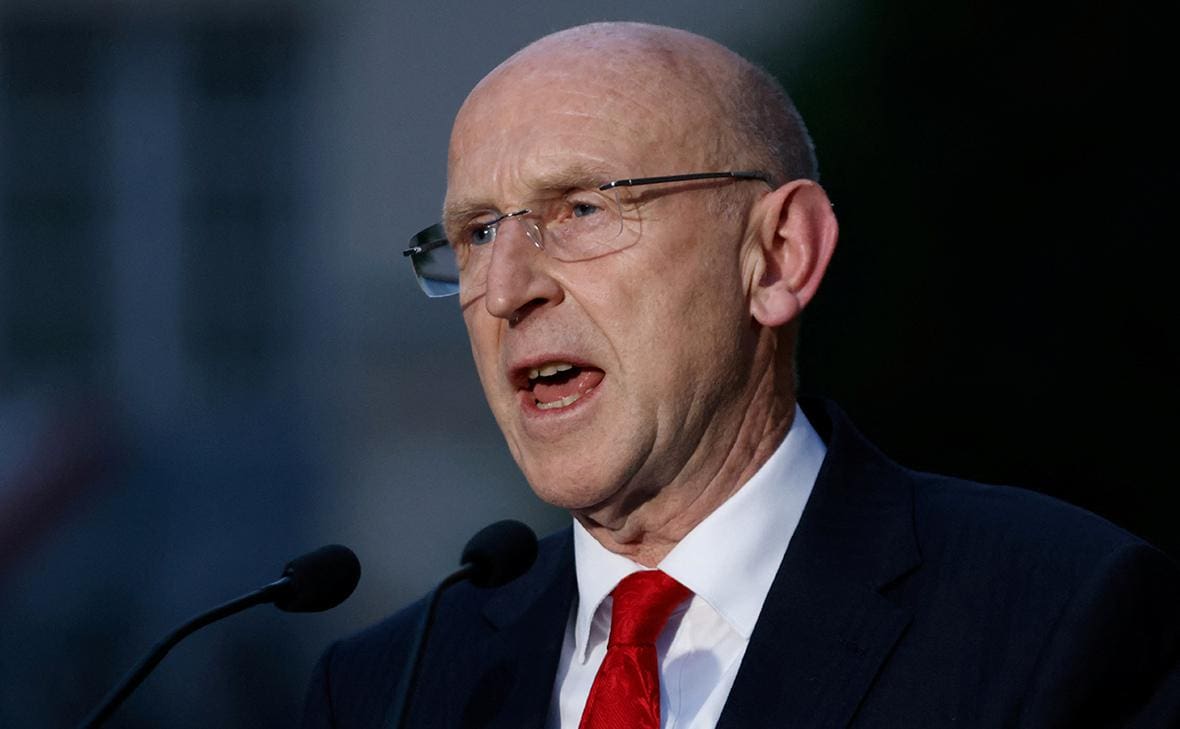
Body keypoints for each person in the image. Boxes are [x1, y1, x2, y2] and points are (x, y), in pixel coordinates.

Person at [301, 22, 1180, 728]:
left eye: (580, 209)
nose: (504, 291)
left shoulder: (1050, 616)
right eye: (477, 234)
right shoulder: (389, 685)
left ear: (779, 254)